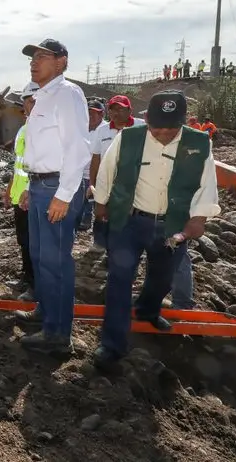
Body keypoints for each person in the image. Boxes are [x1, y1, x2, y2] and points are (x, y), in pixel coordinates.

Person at [91, 90, 220, 369]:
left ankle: (148, 310)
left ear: (184, 123)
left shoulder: (199, 144)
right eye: (157, 127)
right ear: (146, 119)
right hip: (130, 221)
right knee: (118, 280)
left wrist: (199, 218)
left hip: (171, 225)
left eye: (171, 129)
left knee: (163, 277)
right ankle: (112, 345)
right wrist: (101, 204)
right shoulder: (128, 138)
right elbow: (106, 171)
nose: (163, 134)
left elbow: (206, 183)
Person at [16, 38, 89, 355]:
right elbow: (41, 149)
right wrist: (31, 189)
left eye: (42, 56)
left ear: (61, 62)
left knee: (56, 262)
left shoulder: (67, 95)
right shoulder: (41, 99)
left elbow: (77, 149)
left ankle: (59, 335)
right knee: (38, 255)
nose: (34, 62)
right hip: (39, 187)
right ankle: (45, 313)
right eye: (32, 57)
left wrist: (63, 195)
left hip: (57, 188)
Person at [88, 95, 145, 249]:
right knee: (101, 213)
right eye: (113, 109)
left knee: (128, 216)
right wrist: (92, 183)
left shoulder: (142, 127)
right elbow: (96, 159)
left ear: (130, 110)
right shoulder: (102, 130)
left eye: (121, 109)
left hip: (133, 182)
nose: (116, 113)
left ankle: (120, 249)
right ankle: (100, 243)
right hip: (106, 181)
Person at [4, 82, 41, 294]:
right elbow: (18, 164)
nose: (33, 105)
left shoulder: (45, 129)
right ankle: (27, 276)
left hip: (35, 195)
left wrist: (30, 191)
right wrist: (10, 189)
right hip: (21, 195)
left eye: (37, 101)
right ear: (24, 105)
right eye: (29, 101)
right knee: (24, 240)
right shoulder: (23, 130)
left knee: (34, 242)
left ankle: (35, 284)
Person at [77, 98, 105, 232]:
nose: (90, 116)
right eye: (88, 113)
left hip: (99, 176)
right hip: (81, 174)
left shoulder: (105, 130)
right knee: (81, 202)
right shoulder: (81, 129)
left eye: (94, 113)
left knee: (98, 206)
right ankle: (84, 221)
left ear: (101, 114)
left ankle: (99, 237)